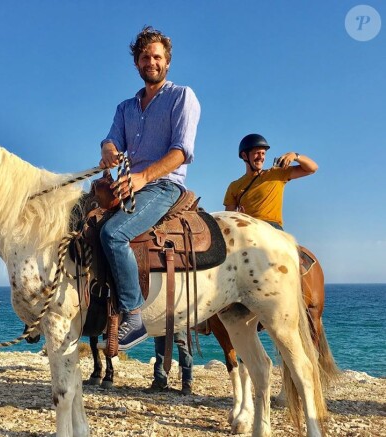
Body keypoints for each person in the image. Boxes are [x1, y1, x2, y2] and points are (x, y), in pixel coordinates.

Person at [99, 26, 201, 350]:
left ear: (166, 62)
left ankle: (134, 314)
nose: (151, 62)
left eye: (157, 56)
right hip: (128, 186)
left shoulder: (182, 97)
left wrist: (144, 177)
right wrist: (109, 151)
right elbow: (111, 139)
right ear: (137, 64)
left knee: (113, 234)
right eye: (145, 57)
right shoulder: (125, 108)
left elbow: (181, 152)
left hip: (163, 187)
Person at [223, 133, 318, 230]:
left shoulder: (277, 173)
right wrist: (237, 217)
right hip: (249, 228)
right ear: (244, 155)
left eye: (263, 153)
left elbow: (312, 168)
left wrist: (296, 156)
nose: (261, 157)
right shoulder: (234, 186)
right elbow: (227, 220)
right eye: (257, 153)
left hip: (273, 228)